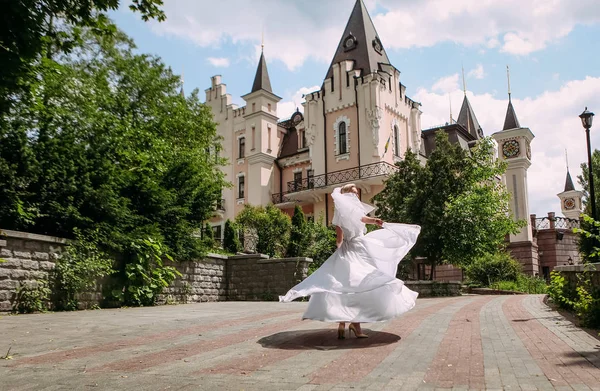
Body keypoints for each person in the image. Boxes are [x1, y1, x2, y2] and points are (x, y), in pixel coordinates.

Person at [279, 184, 421, 339]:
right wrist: (341, 253)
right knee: (350, 285)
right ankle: (350, 324)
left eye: (356, 193)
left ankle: (347, 323)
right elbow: (339, 238)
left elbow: (362, 218)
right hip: (351, 250)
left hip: (362, 248)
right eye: (353, 193)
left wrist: (375, 221)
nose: (356, 196)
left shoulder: (354, 210)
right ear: (345, 196)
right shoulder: (340, 214)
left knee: (358, 284)